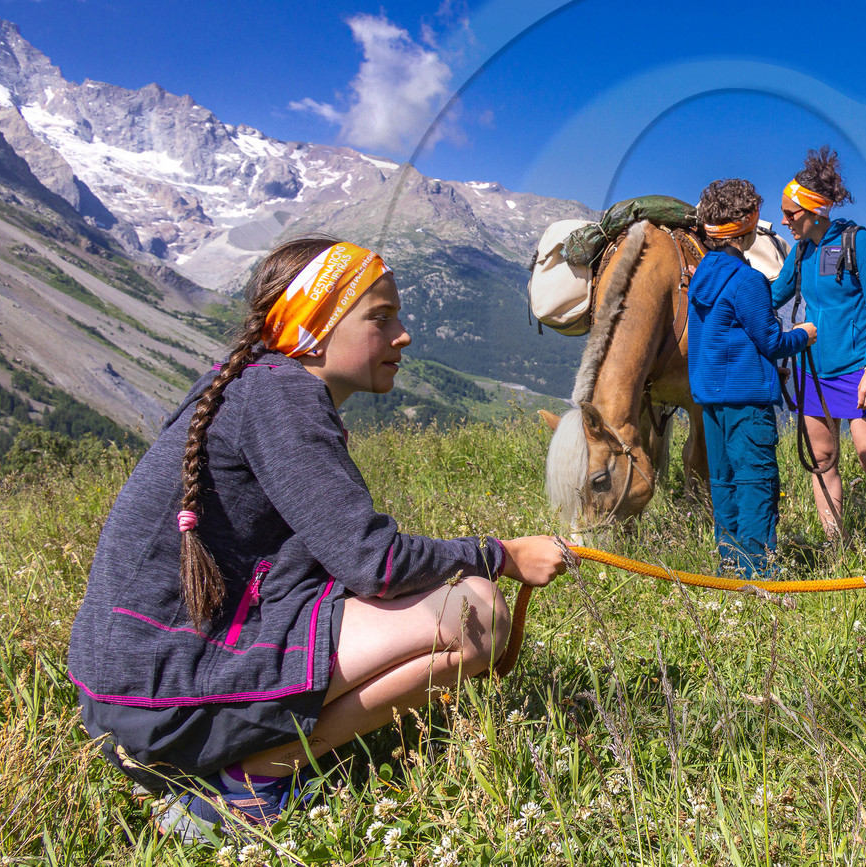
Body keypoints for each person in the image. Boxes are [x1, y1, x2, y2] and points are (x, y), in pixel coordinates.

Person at [68, 237, 570, 839]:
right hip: (163, 706)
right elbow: (374, 563)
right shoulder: (281, 395)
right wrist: (503, 554)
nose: (402, 335)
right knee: (476, 612)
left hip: (133, 693)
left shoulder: (255, 387)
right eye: (380, 318)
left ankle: (238, 767)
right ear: (314, 326)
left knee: (451, 608)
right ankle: (246, 786)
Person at [770, 147, 866, 542]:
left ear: (814, 210)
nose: (784, 221)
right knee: (822, 461)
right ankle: (835, 547)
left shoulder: (859, 242)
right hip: (813, 372)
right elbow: (773, 294)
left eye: (790, 213)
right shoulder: (801, 252)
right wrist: (728, 286)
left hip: (859, 370)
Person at [687, 179, 816, 576]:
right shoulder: (749, 280)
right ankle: (759, 576)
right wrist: (805, 334)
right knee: (756, 483)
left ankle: (730, 566)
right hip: (748, 403)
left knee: (724, 482)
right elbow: (772, 342)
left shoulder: (701, 276)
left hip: (711, 400)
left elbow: (727, 336)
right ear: (748, 225)